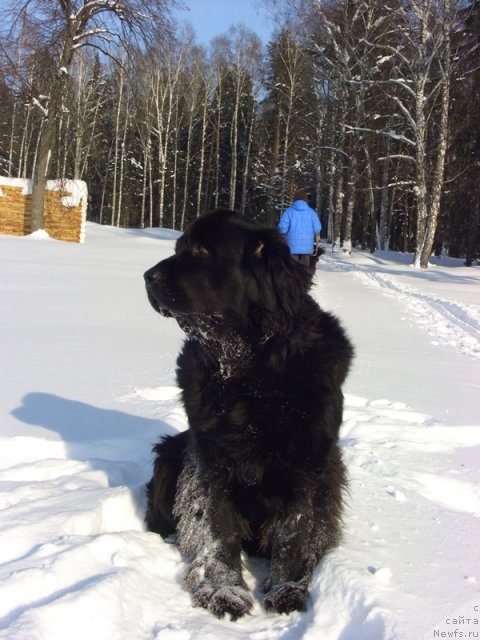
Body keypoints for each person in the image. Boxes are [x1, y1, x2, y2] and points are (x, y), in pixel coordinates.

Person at [278, 190, 322, 266]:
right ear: (306, 199)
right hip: (307, 248)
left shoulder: (289, 212)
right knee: (304, 272)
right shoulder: (311, 212)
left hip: (291, 247)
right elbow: (317, 228)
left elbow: (282, 229)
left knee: (293, 271)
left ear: (294, 199)